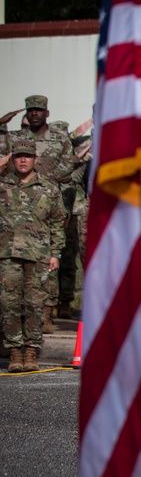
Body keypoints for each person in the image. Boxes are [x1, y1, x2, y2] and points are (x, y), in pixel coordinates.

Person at [0, 95, 76, 335]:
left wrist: (50, 182)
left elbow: (69, 167)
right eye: (31, 110)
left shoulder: (59, 139)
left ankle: (46, 312)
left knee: (47, 262)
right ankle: (17, 326)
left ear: (47, 113)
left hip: (48, 200)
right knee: (14, 274)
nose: (34, 114)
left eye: (39, 110)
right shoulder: (15, 138)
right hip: (16, 201)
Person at [0, 141, 65, 372]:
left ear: (35, 159)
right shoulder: (3, 184)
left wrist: (56, 253)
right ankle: (15, 351)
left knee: (35, 304)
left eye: (27, 156)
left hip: (39, 255)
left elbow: (58, 222)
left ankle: (31, 351)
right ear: (12, 159)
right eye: (18, 156)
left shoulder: (48, 187)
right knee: (8, 304)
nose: (23, 160)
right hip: (7, 254)